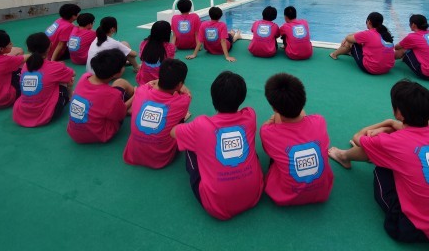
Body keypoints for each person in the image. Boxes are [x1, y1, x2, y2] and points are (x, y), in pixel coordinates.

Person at [328, 80, 429, 247]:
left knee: (381, 166)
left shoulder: (394, 142)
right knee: (398, 156)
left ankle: (344, 156)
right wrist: (391, 127)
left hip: (409, 228)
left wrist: (386, 123)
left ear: (398, 112)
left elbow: (358, 137)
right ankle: (349, 155)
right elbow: (409, 132)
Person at [171, 71, 264, 220]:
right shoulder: (250, 115)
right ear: (242, 98)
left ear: (213, 97)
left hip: (216, 206)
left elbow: (173, 132)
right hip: (254, 194)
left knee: (188, 143)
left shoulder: (201, 124)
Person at [260, 73, 334, 206]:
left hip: (284, 196)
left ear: (274, 108)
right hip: (322, 192)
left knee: (278, 153)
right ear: (303, 99)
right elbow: (302, 115)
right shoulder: (319, 121)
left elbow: (269, 149)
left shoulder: (267, 132)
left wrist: (273, 119)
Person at [124, 59, 192, 169]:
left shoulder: (141, 90)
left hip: (134, 153)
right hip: (161, 158)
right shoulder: (183, 101)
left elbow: (151, 83)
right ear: (180, 84)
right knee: (181, 121)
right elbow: (188, 95)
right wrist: (182, 87)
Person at [67, 49, 134, 144]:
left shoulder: (85, 77)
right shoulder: (112, 94)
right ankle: (137, 101)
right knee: (121, 83)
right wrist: (135, 95)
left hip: (74, 133)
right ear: (117, 73)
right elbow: (121, 115)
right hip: (98, 134)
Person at [13, 33, 75, 127]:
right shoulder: (55, 67)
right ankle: (70, 96)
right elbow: (73, 73)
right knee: (67, 77)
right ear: (50, 46)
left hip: (21, 113)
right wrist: (61, 66)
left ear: (28, 49)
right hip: (46, 114)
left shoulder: (25, 65)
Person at [329, 11, 395, 75]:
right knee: (364, 43)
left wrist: (347, 38)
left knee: (351, 42)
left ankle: (334, 54)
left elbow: (348, 38)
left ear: (369, 22)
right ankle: (349, 52)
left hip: (372, 69)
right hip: (387, 68)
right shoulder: (387, 33)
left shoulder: (367, 34)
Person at [394, 14, 429, 80]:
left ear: (413, 25)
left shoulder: (412, 37)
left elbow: (396, 47)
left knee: (404, 50)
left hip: (428, 74)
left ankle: (387, 60)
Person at [136, 20, 176, 86]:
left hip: (143, 80)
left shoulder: (144, 43)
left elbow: (142, 58)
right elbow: (169, 64)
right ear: (168, 33)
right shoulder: (170, 47)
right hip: (160, 83)